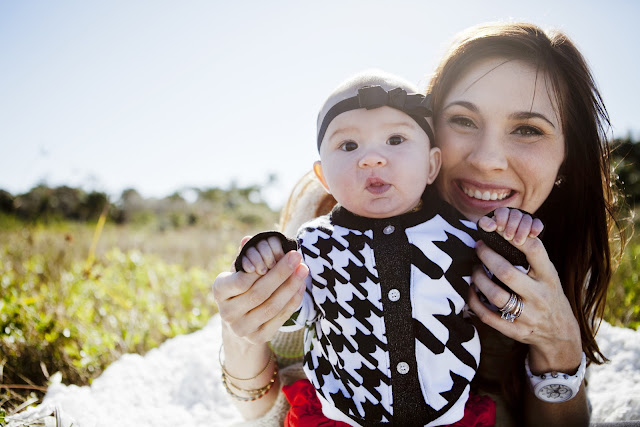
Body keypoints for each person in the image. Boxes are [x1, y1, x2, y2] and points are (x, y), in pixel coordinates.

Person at [212, 22, 624, 427]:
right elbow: (268, 411)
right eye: (463, 120)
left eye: (528, 129)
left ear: (567, 156)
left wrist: (559, 345)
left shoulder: (560, 251)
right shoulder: (330, 221)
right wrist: (243, 332)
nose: (487, 160)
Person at [231, 70, 542, 426]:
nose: (372, 158)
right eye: (349, 146)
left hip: (446, 414)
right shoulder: (314, 243)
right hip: (343, 415)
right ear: (324, 177)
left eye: (395, 139)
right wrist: (267, 267)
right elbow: (291, 317)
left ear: (431, 165)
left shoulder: (460, 235)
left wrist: (511, 241)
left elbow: (497, 295)